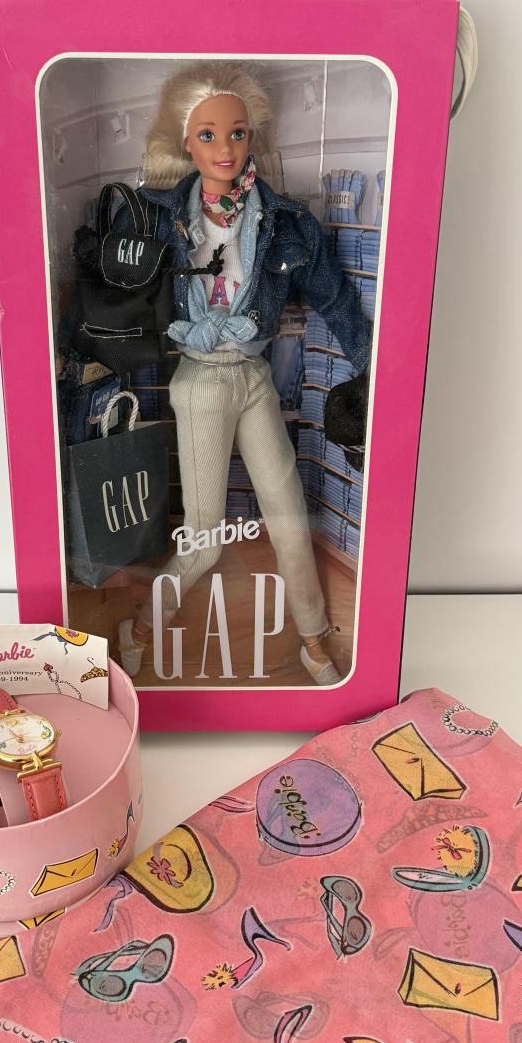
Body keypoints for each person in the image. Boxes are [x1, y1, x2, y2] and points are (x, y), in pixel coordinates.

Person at [113, 62, 370, 684]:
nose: (225, 148)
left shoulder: (284, 221)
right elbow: (116, 288)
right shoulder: (156, 216)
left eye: (237, 133)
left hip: (252, 377)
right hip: (200, 381)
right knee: (204, 540)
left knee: (289, 517)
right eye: (207, 135)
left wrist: (376, 371)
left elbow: (335, 298)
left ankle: (314, 641)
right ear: (184, 140)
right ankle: (141, 627)